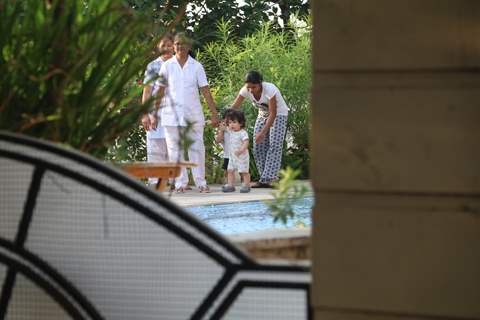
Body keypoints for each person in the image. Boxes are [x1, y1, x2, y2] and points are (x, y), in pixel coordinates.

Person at [155, 32, 219, 193]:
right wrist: (154, 114)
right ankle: (180, 184)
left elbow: (205, 92)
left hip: (193, 115)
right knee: (174, 151)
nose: (180, 47)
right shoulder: (167, 66)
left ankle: (201, 183)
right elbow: (160, 91)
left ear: (189, 46)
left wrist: (214, 114)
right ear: (173, 46)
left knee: (196, 149)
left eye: (183, 44)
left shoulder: (196, 66)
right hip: (171, 115)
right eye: (177, 44)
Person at [231, 70, 289, 188]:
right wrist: (224, 120)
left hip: (279, 114)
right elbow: (234, 107)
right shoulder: (245, 90)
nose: (251, 90)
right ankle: (264, 178)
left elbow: (273, 113)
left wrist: (263, 132)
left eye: (254, 87)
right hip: (263, 114)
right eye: (249, 87)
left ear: (260, 83)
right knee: (258, 147)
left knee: (274, 145)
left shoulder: (270, 89)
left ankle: (271, 179)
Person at [141, 34, 174, 186]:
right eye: (163, 45)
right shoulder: (152, 66)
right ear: (158, 47)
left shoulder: (179, 64)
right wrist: (145, 115)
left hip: (174, 113)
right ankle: (155, 182)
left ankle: (175, 181)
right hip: (156, 112)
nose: (167, 48)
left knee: (174, 148)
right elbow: (147, 92)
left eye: (169, 45)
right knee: (156, 148)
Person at [220, 109, 251, 193]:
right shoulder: (230, 131)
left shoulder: (243, 133)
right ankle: (230, 185)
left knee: (244, 171)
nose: (231, 125)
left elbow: (246, 142)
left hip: (242, 156)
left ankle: (246, 185)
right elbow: (224, 128)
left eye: (234, 122)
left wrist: (241, 150)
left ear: (240, 123)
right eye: (229, 122)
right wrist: (222, 125)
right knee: (230, 170)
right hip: (232, 156)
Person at [215, 108, 235, 183]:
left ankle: (244, 183)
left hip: (238, 155)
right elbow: (218, 140)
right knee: (227, 170)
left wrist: (226, 129)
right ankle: (228, 183)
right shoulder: (223, 131)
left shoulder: (236, 129)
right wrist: (221, 130)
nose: (229, 122)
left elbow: (235, 133)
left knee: (242, 170)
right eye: (227, 119)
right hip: (228, 155)